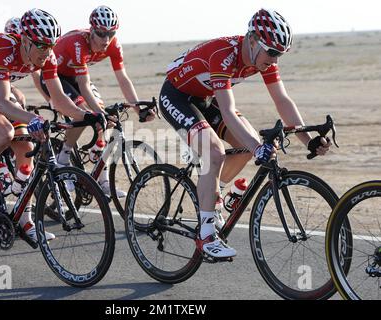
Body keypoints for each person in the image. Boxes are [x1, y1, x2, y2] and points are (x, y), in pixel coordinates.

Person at [159, 8, 331, 259]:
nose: (275, 60)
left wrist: (308, 140)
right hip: (176, 96)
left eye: (280, 54)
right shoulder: (223, 55)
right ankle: (205, 235)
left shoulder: (262, 59)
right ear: (252, 40)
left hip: (205, 98)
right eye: (272, 52)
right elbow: (228, 111)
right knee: (215, 150)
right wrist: (257, 148)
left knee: (247, 144)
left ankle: (212, 195)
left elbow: (282, 101)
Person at [0, 8, 105, 244]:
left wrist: (87, 115)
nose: (48, 51)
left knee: (27, 150)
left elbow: (59, 99)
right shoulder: (4, 49)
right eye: (42, 45)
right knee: (5, 133)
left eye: (51, 45)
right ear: (25, 40)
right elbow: (2, 101)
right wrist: (32, 119)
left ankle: (25, 220)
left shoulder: (48, 56)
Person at [36, 5, 155, 197]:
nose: (106, 39)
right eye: (101, 34)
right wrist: (98, 114)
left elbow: (123, 79)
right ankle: (63, 158)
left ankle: (103, 179)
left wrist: (137, 108)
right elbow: (83, 86)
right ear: (91, 30)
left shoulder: (114, 45)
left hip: (75, 77)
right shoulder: (77, 43)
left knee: (103, 117)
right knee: (84, 112)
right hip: (55, 77)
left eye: (111, 33)